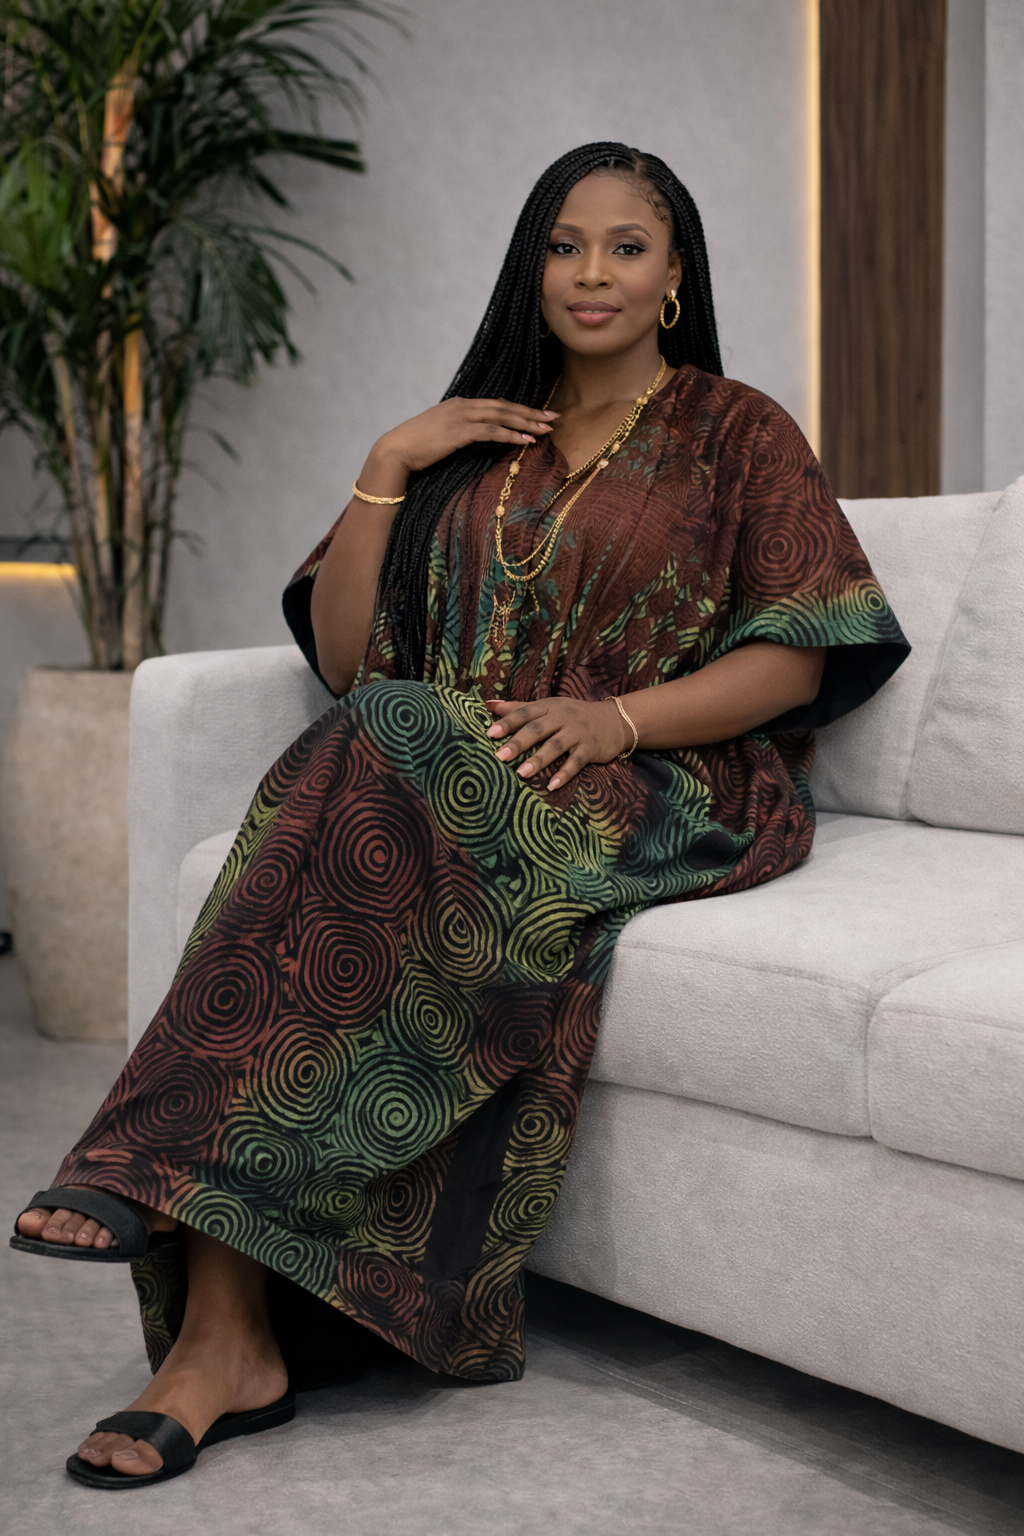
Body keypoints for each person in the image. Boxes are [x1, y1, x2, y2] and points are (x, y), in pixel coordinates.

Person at [12, 142, 908, 1489]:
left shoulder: (736, 429)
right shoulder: (481, 434)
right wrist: (387, 463)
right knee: (362, 764)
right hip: (443, 767)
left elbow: (798, 657)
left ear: (675, 275)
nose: (591, 272)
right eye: (564, 244)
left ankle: (145, 1182)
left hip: (664, 785)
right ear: (530, 266)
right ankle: (221, 1338)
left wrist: (616, 720)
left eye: (626, 245)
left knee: (368, 752)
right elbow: (348, 656)